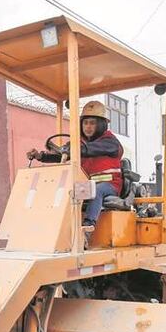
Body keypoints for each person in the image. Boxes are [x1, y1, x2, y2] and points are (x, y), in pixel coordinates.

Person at [26, 100, 123, 233]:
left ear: (101, 125)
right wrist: (41, 156)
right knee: (64, 191)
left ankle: (88, 227)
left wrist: (75, 148)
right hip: (85, 185)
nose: (88, 127)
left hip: (110, 185)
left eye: (92, 123)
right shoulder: (80, 144)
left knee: (95, 190)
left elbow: (92, 149)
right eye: (85, 123)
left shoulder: (110, 142)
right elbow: (63, 155)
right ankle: (53, 228)